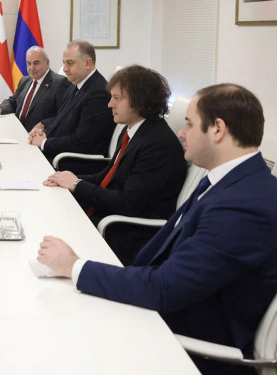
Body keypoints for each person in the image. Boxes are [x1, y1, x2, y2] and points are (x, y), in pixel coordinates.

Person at [37, 84, 277, 375]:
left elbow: (166, 288)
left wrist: (74, 266)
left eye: (189, 124)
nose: (181, 133)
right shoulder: (229, 180)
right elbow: (165, 257)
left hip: (182, 343)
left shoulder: (244, 208)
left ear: (218, 129)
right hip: (167, 309)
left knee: (54, 340)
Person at [44, 65, 187, 264]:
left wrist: (77, 185)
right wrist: (66, 179)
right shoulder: (134, 130)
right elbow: (110, 174)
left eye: (117, 98)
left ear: (140, 101)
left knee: (53, 229)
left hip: (129, 232)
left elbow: (127, 203)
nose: (110, 104)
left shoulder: (157, 144)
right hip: (113, 216)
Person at [28, 40, 115, 175]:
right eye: (64, 63)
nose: (65, 69)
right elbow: (60, 120)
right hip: (61, 154)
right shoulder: (75, 85)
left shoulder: (98, 93)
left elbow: (82, 141)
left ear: (88, 63)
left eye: (70, 63)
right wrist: (43, 133)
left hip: (76, 165)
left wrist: (44, 142)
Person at [0, 46, 69, 131]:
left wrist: (44, 124)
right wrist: (0, 108)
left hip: (37, 135)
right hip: (16, 129)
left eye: (36, 63)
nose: (31, 68)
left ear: (47, 63)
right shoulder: (25, 80)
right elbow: (13, 101)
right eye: (29, 63)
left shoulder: (60, 83)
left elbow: (64, 115)